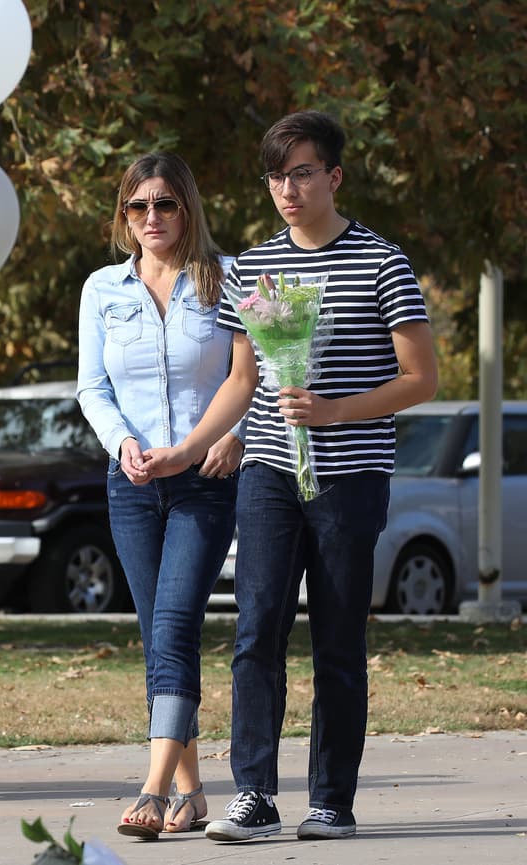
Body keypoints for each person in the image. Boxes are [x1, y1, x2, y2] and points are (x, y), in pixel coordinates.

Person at [142, 111, 438, 841]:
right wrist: (188, 448)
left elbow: (422, 377)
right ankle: (256, 794)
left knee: (337, 637)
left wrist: (335, 411)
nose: (288, 188)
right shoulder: (254, 265)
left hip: (350, 477)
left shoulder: (380, 261)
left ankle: (332, 800)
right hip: (270, 473)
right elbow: (243, 379)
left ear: (334, 177)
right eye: (277, 175)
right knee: (256, 629)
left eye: (302, 172)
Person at [76, 153, 243, 838]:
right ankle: (192, 792)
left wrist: (228, 437)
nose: (152, 218)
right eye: (138, 206)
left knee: (174, 624)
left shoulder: (226, 278)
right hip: (132, 484)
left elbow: (252, 374)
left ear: (188, 207)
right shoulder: (102, 289)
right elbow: (92, 386)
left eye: (165, 204)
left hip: (204, 481)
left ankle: (149, 787)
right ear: (124, 215)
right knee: (157, 635)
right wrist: (122, 444)